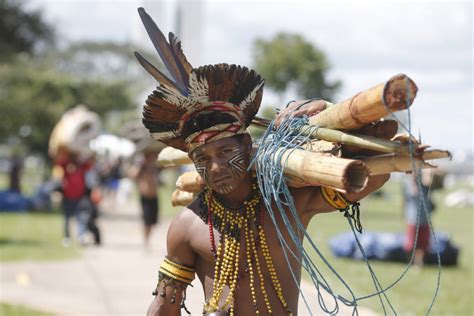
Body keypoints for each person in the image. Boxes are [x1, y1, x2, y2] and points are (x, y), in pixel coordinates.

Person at [135, 8, 389, 315]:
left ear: (246, 143)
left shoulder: (288, 203)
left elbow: (377, 170)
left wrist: (322, 108)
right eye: (202, 158)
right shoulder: (187, 226)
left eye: (226, 152)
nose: (215, 168)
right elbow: (164, 306)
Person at [54, 150, 92, 246]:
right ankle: (67, 237)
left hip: (80, 197)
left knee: (82, 218)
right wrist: (68, 156)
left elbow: (90, 164)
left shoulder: (82, 166)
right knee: (67, 218)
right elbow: (58, 162)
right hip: (68, 197)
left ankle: (81, 236)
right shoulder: (66, 165)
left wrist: (82, 157)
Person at [402, 169, 435, 268]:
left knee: (424, 244)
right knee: (411, 244)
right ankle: (413, 263)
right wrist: (413, 179)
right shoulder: (408, 183)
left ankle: (419, 263)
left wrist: (427, 175)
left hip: (425, 218)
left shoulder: (426, 183)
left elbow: (435, 181)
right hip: (413, 219)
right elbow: (413, 192)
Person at [128, 150, 161, 248]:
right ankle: (146, 241)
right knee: (147, 221)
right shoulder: (141, 168)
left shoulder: (155, 167)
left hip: (154, 196)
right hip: (145, 197)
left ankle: (148, 237)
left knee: (153, 221)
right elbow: (132, 175)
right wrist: (140, 164)